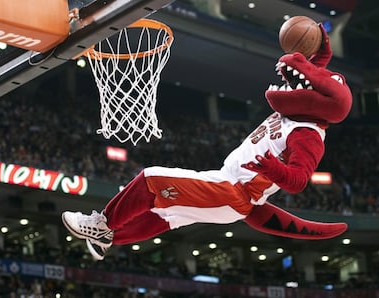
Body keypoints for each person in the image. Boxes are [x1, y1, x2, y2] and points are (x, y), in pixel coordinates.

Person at [62, 24, 353, 261]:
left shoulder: (309, 134)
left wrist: (273, 168)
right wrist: (320, 56)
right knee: (165, 215)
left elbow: (299, 180)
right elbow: (311, 81)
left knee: (150, 179)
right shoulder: (296, 110)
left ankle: (102, 225)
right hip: (228, 186)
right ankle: (110, 239)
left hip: (234, 193)